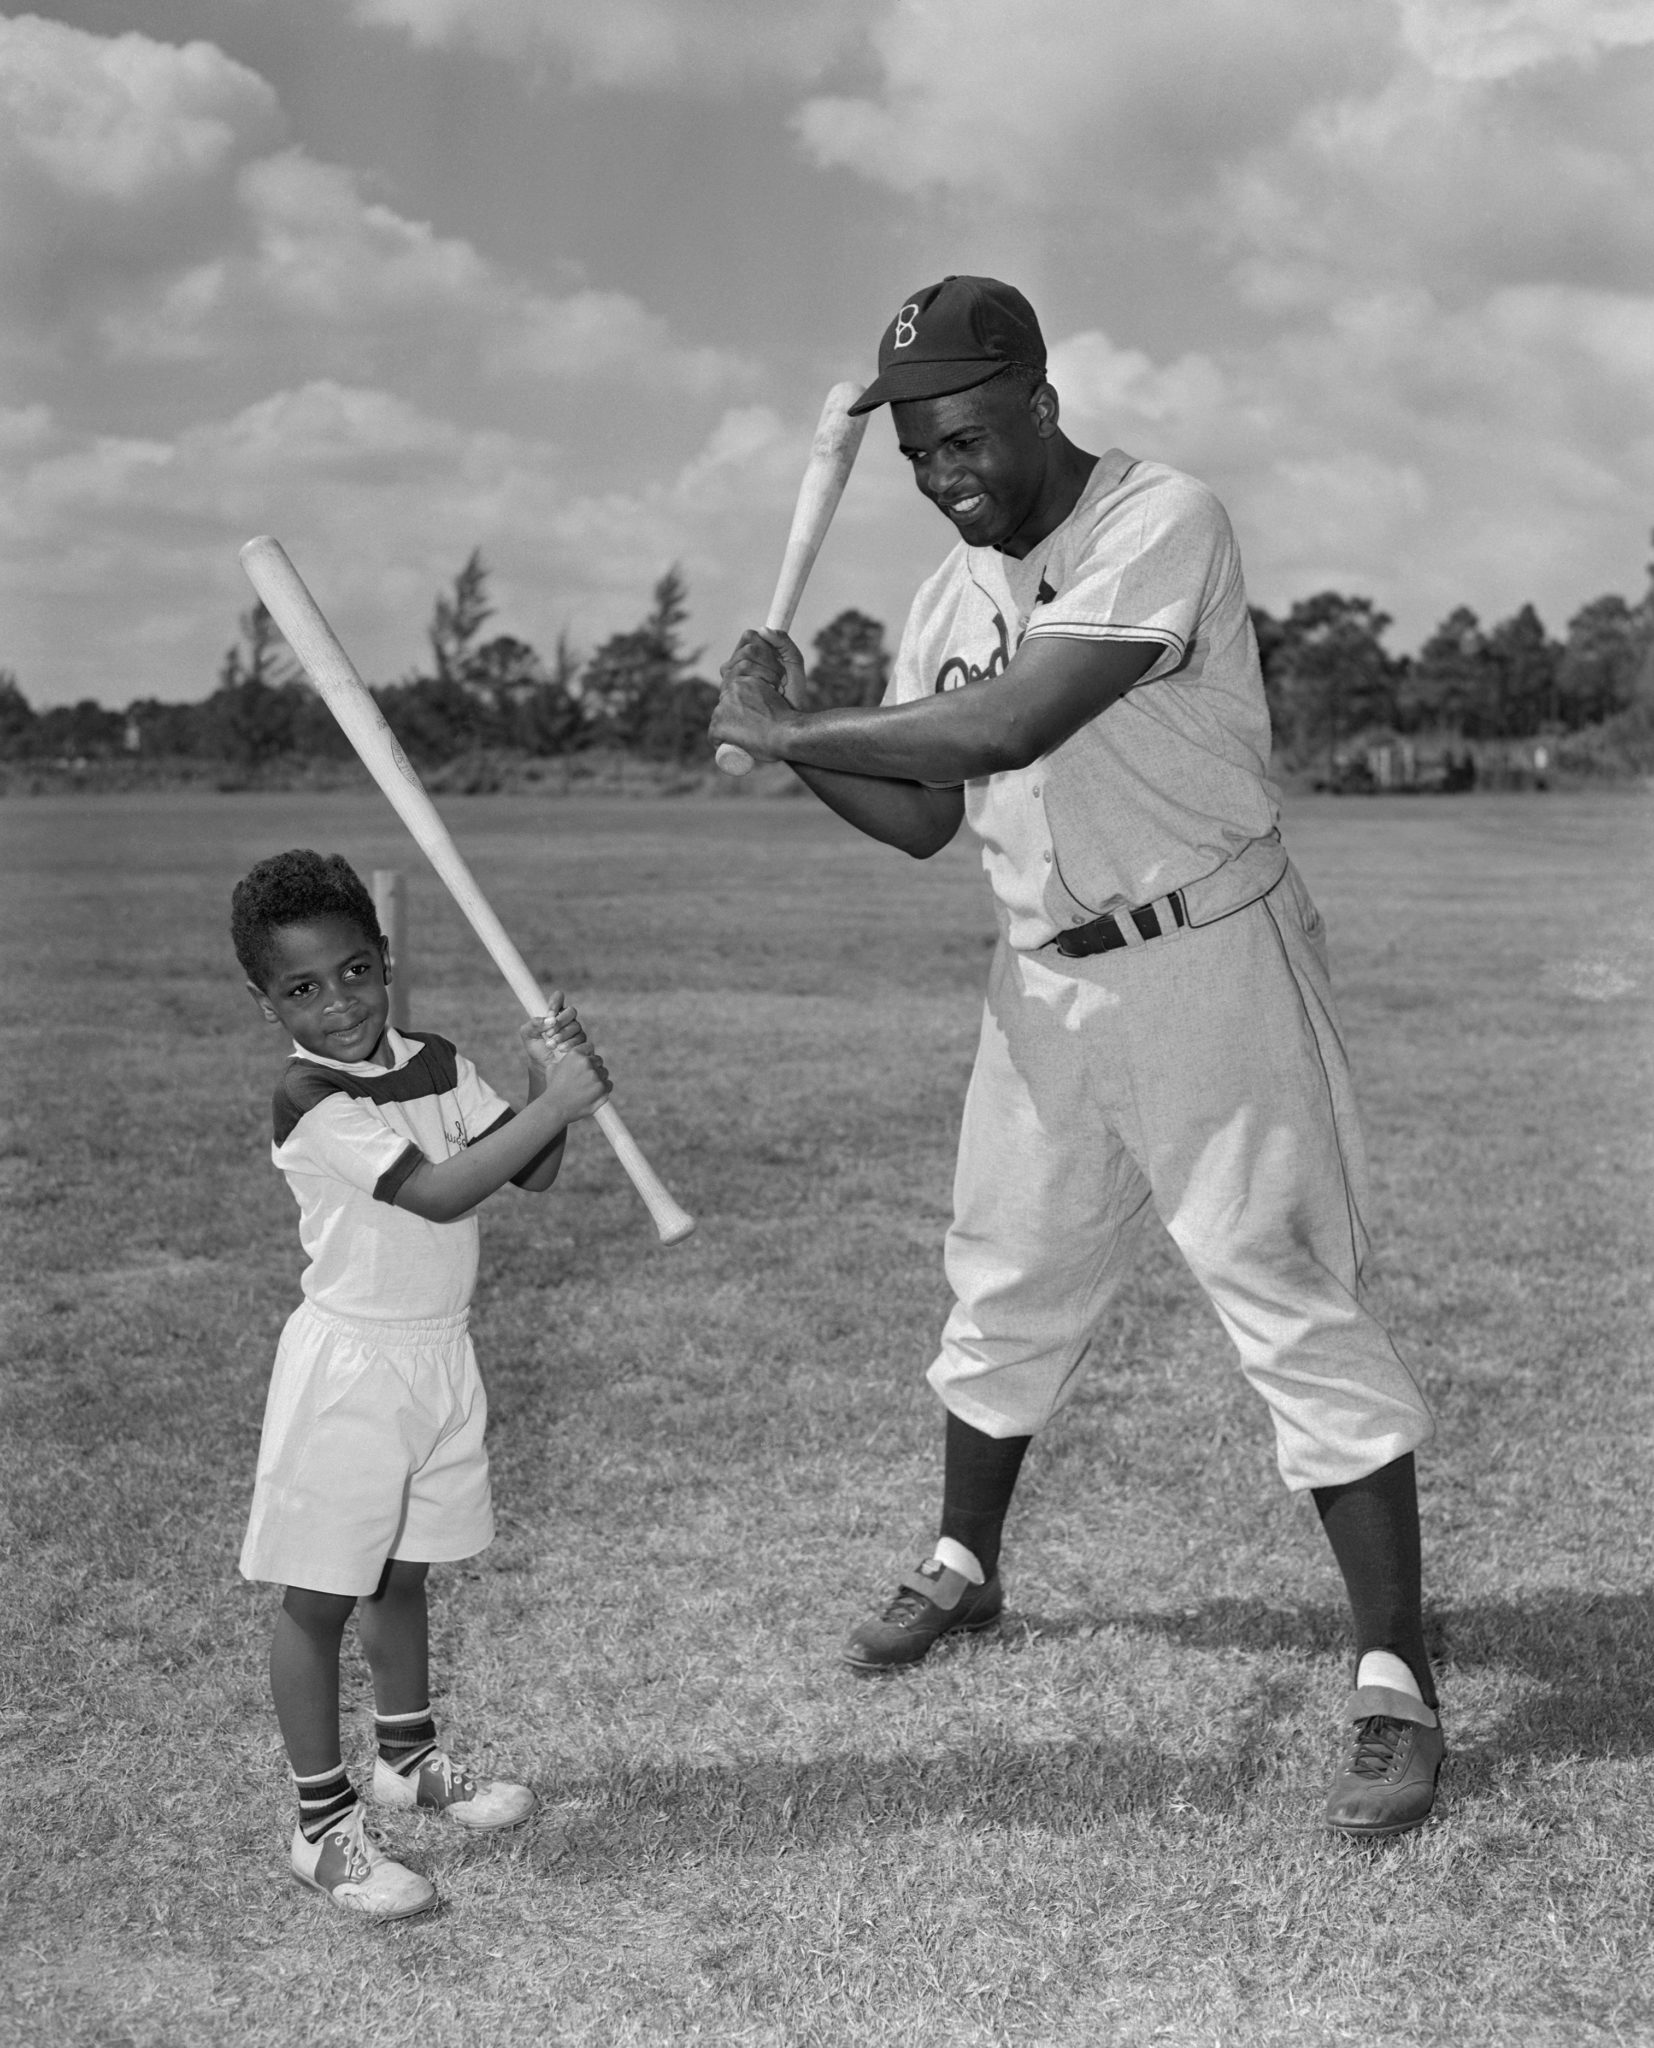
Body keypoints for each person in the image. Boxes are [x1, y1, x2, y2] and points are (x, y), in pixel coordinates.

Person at [710, 275, 1444, 1839]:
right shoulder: (944, 595)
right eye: (916, 450)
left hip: (1202, 959)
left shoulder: (1157, 517)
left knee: (1284, 1292)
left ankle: (1392, 1673)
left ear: (1041, 400)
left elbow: (1001, 733)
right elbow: (921, 812)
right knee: (1002, 1277)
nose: (943, 472)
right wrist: (797, 746)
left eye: (967, 433)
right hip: (1039, 976)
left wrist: (783, 731)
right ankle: (964, 1566)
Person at [231, 849, 611, 1917]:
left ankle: (407, 1755)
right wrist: (562, 1105)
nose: (338, 1002)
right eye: (302, 988)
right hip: (352, 1367)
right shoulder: (309, 1096)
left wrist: (545, 1088)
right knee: (318, 1597)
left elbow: (525, 1169)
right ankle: (321, 1825)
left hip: (440, 1351)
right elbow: (440, 1192)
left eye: (355, 972)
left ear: (384, 958)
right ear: (266, 1003)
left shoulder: (436, 1060)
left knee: (405, 1570)